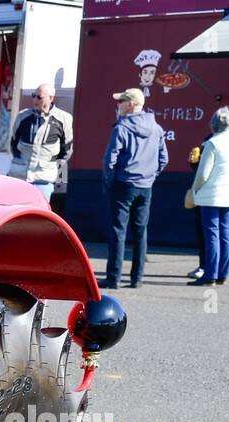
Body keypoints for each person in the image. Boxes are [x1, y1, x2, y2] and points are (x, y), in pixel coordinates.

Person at [102, 87, 168, 289]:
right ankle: (137, 278)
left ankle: (114, 278)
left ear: (131, 104)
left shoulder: (121, 128)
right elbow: (163, 158)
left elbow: (109, 160)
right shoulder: (156, 128)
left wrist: (109, 182)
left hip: (123, 184)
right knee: (140, 232)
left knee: (118, 231)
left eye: (121, 101)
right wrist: (150, 177)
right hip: (145, 186)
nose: (118, 104)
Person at [190, 107, 229, 286]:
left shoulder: (212, 144)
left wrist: (194, 190)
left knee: (211, 235)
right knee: (226, 233)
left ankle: (210, 275)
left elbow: (203, 174)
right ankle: (223, 273)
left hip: (211, 195)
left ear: (214, 124)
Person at [8, 83, 73, 201]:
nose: (34, 100)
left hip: (44, 180)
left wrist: (60, 185)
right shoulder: (22, 116)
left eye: (39, 97)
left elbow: (65, 153)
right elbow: (13, 144)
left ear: (51, 98)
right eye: (33, 95)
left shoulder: (64, 119)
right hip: (20, 177)